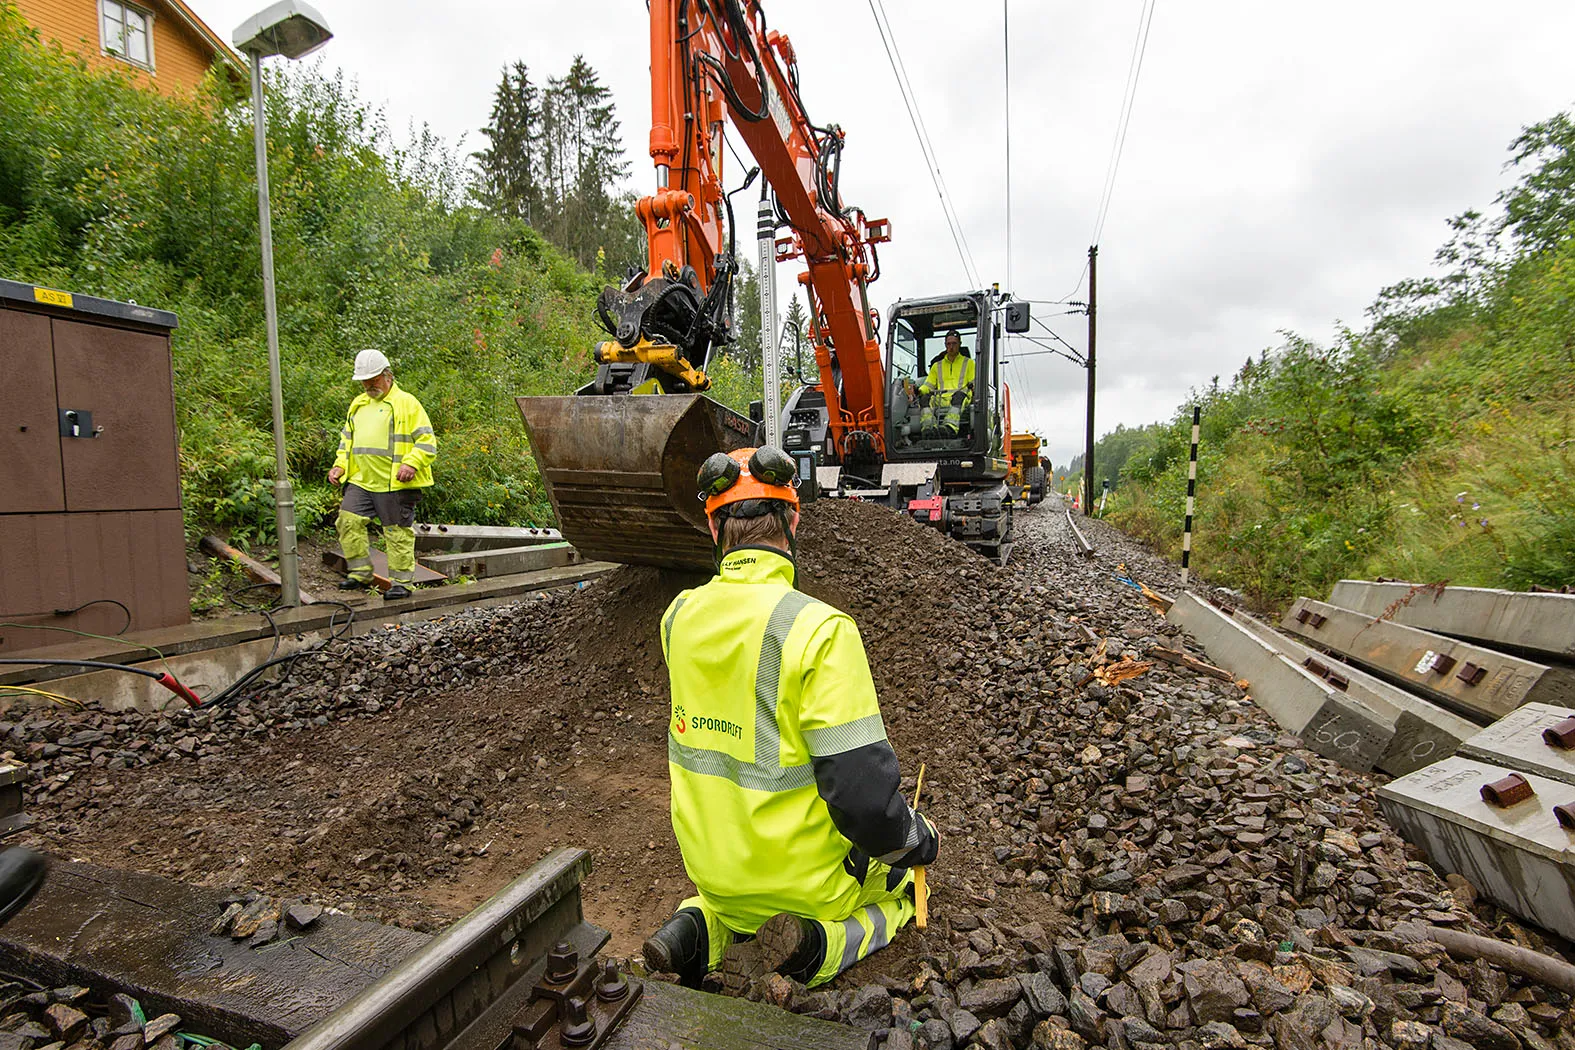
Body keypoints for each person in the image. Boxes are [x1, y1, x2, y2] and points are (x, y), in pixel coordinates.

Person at [641, 446, 938, 993]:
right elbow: (866, 801)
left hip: (717, 878)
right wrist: (917, 841)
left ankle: (699, 927)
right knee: (901, 884)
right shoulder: (821, 630)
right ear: (793, 519)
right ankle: (812, 948)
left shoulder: (676, 619)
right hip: (808, 887)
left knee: (728, 905)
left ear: (713, 527)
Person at [328, 349, 437, 600]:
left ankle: (401, 583)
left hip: (395, 484)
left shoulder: (407, 403)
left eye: (373, 381)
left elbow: (427, 441)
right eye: (364, 382)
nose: (368, 386)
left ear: (388, 376)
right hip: (361, 480)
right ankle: (359, 573)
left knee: (397, 533)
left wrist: (411, 463)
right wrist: (340, 466)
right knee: (348, 521)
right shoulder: (358, 404)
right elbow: (347, 441)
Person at [915, 329, 975, 438]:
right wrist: (918, 390)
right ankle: (928, 428)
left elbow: (973, 382)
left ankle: (950, 428)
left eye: (954, 343)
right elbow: (928, 385)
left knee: (959, 396)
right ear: (945, 345)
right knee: (925, 399)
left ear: (960, 344)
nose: (951, 347)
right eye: (948, 344)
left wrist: (974, 388)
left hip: (960, 397)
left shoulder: (969, 363)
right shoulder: (937, 366)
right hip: (941, 399)